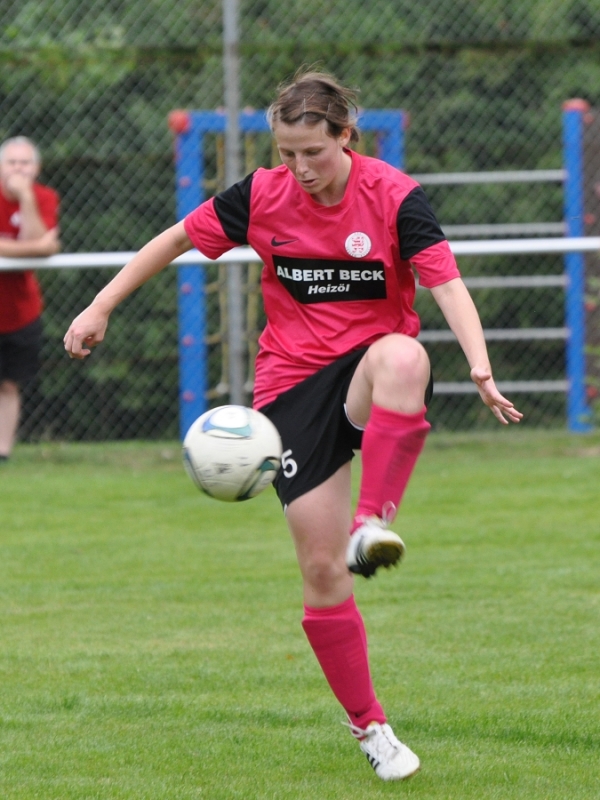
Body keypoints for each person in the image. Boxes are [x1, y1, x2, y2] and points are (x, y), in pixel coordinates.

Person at [64, 70, 522, 780]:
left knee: (404, 356)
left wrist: (480, 365)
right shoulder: (260, 195)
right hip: (292, 390)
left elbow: (445, 283)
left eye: (313, 151)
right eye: (287, 153)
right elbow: (176, 239)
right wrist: (100, 305)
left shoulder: (395, 196)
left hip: (367, 369)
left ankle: (372, 522)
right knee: (321, 571)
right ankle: (371, 728)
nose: (301, 167)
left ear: (346, 136)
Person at [0, 136, 60, 461]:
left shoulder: (44, 197)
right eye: (11, 162)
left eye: (24, 163)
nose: (18, 169)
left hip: (20, 312)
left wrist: (25, 198)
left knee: (10, 384)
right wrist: (36, 248)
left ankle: (2, 452)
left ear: (36, 168)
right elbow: (40, 246)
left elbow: (42, 247)